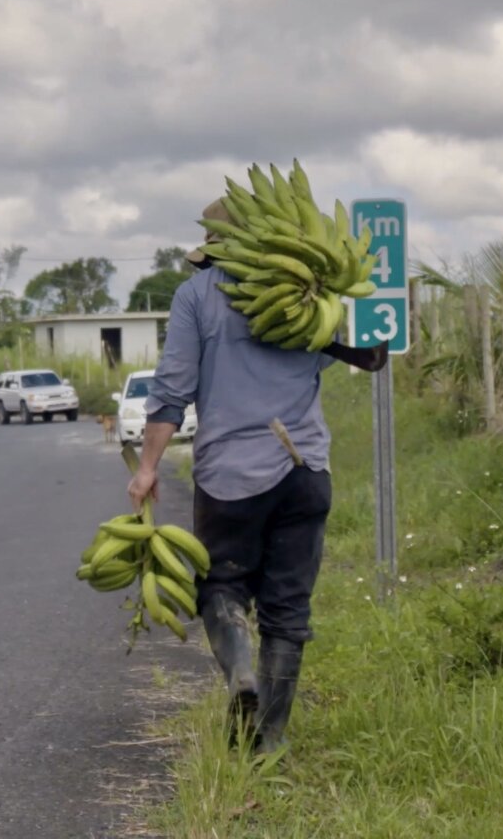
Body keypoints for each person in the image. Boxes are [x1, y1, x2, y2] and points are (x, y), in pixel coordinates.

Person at [126, 198, 335, 755]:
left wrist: (148, 468)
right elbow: (335, 357)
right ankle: (269, 742)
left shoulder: (197, 295)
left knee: (222, 585)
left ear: (214, 246)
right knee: (288, 609)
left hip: (230, 475)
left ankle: (241, 672)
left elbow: (171, 391)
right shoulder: (306, 296)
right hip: (306, 467)